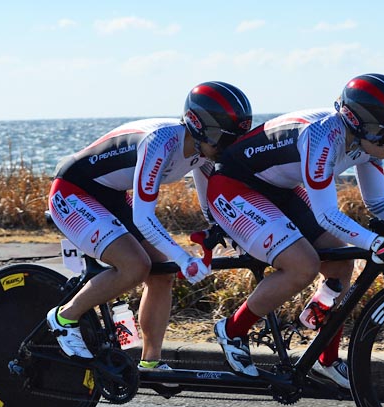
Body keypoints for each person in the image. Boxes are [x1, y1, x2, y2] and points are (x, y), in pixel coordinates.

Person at [206, 73, 384, 388]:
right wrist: (377, 243)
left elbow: (379, 202)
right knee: (303, 264)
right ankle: (232, 329)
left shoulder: (366, 143)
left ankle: (325, 357)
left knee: (340, 263)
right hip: (232, 185)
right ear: (358, 124)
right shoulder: (322, 136)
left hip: (279, 188)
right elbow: (327, 214)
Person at [47, 81, 252, 373]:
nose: (228, 148)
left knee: (161, 274)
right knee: (135, 266)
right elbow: (144, 217)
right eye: (224, 139)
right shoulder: (160, 142)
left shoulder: (204, 150)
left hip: (111, 195)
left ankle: (151, 363)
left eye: (235, 139)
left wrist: (229, 233)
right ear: (198, 125)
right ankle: (65, 318)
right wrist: (183, 258)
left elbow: (210, 208)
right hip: (73, 191)